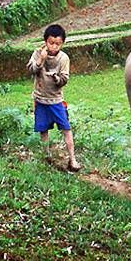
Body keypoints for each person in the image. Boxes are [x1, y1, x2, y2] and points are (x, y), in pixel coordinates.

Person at [27, 24, 81, 171]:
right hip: (40, 99)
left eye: (58, 44)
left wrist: (57, 78)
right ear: (45, 41)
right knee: (43, 129)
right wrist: (41, 60)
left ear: (62, 43)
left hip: (56, 100)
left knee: (66, 128)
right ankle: (47, 155)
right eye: (51, 43)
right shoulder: (38, 53)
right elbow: (32, 70)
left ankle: (72, 159)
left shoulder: (64, 58)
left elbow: (65, 78)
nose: (54, 47)